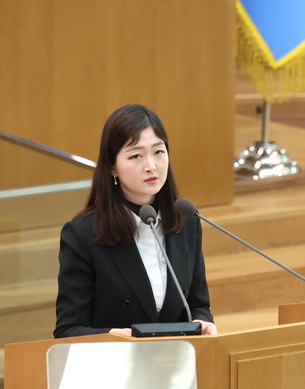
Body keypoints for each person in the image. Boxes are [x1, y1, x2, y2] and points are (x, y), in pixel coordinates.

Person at [54, 104, 217, 338]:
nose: (151, 166)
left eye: (159, 152)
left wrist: (204, 322)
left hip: (174, 365)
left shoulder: (186, 219)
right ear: (112, 166)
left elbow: (197, 303)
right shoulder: (83, 234)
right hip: (115, 367)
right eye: (136, 155)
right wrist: (120, 338)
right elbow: (68, 330)